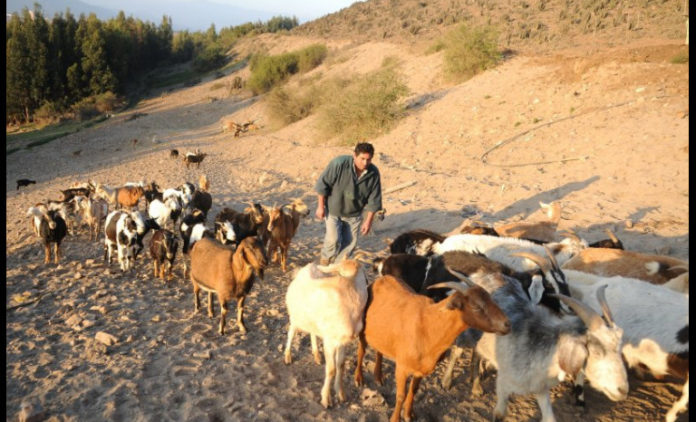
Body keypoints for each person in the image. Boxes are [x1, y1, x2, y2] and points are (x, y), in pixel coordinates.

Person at [315, 142, 382, 265]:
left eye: (368, 159)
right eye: (362, 159)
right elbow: (322, 184)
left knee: (350, 244)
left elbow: (374, 199)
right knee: (333, 240)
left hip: (354, 214)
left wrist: (368, 221)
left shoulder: (373, 173)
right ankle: (325, 262)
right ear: (354, 156)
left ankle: (338, 266)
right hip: (333, 210)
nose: (365, 163)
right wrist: (320, 207)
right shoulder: (339, 164)